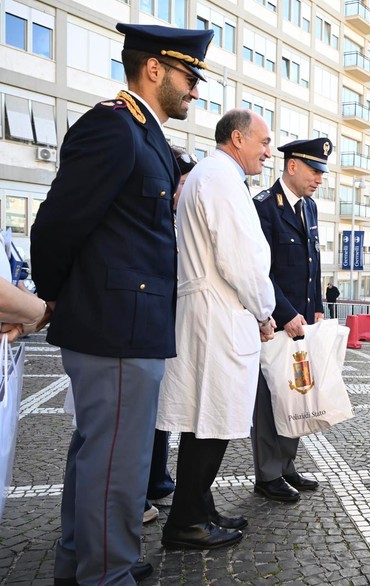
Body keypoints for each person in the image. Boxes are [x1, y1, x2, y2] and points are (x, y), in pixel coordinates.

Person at [29, 22, 213, 585]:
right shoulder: (114, 128)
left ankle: (81, 563)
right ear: (153, 68)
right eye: (188, 76)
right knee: (117, 464)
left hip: (124, 323)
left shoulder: (145, 135)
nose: (195, 90)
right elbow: (57, 223)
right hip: (114, 325)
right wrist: (56, 298)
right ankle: (106, 575)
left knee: (98, 455)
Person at [156, 109, 276, 550]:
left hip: (209, 311)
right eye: (263, 143)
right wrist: (265, 312)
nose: (268, 152)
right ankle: (186, 521)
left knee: (203, 417)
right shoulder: (222, 179)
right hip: (220, 313)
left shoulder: (210, 174)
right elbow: (240, 260)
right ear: (238, 138)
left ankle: (199, 509)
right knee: (213, 419)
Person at [249, 138, 331, 503]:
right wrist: (284, 314)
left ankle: (286, 465)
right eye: (314, 170)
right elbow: (260, 272)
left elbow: (311, 264)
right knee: (270, 398)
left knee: (296, 392)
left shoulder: (309, 208)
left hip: (302, 320)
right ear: (292, 166)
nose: (319, 179)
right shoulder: (264, 208)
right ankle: (267, 474)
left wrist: (314, 306)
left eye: (322, 173)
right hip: (276, 319)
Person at [143, 147, 199, 521]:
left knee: (158, 414)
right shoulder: (155, 219)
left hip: (167, 329)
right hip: (148, 327)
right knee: (144, 416)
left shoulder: (178, 220)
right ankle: (139, 492)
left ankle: (156, 481)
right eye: (182, 183)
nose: (185, 191)